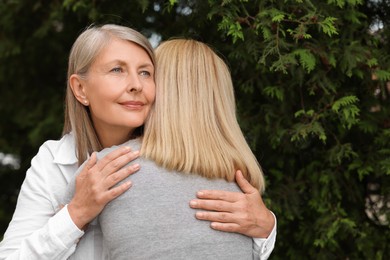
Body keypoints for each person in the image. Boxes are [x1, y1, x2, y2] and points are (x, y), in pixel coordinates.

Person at [0, 24, 275, 260]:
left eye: (145, 72)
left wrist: (265, 227)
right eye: (117, 70)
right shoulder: (54, 162)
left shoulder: (182, 158)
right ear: (81, 89)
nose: (136, 85)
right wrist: (76, 213)